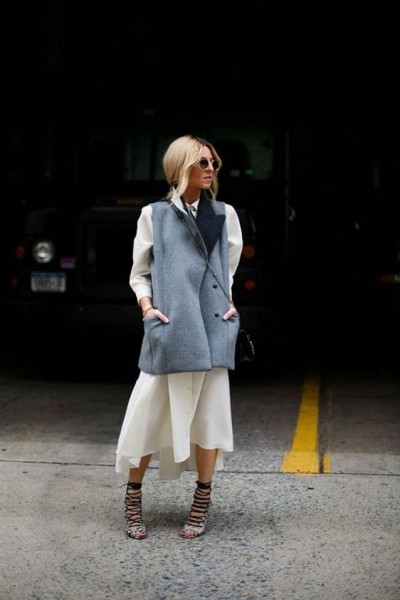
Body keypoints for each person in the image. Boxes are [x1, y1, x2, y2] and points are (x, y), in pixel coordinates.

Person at [115, 134, 243, 540]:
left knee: (209, 418)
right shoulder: (154, 215)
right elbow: (139, 273)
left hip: (212, 326)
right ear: (180, 166)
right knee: (147, 415)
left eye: (213, 163)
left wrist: (230, 304)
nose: (210, 168)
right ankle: (133, 496)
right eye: (202, 162)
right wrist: (146, 308)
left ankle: (202, 498)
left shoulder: (224, 214)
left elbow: (228, 269)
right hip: (170, 326)